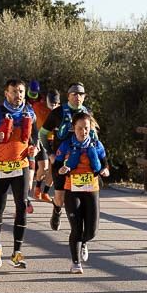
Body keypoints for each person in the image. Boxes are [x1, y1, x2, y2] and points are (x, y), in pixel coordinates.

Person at [0, 79, 37, 269]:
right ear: (6, 93)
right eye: (14, 91)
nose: (18, 95)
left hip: (21, 166)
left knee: (22, 206)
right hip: (0, 167)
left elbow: (34, 135)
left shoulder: (29, 112)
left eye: (21, 91)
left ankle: (17, 253)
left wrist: (35, 148)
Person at [53, 112, 109, 273]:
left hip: (92, 190)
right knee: (76, 228)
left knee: (91, 231)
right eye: (79, 128)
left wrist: (105, 170)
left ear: (90, 128)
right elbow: (56, 167)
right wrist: (61, 170)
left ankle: (84, 242)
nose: (83, 132)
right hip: (72, 189)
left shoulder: (96, 144)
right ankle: (75, 263)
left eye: (86, 128)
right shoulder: (66, 146)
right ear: (73, 128)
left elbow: (105, 163)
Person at [42, 83, 93, 231]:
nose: (78, 97)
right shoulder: (57, 113)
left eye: (81, 94)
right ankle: (57, 210)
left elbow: (94, 136)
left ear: (85, 97)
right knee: (60, 196)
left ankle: (79, 229)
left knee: (83, 195)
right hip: (61, 160)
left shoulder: (88, 112)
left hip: (83, 162)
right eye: (74, 94)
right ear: (68, 96)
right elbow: (43, 134)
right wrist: (50, 154)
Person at [31, 88, 59, 204]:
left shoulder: (60, 110)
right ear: (46, 100)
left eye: (56, 104)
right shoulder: (37, 107)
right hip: (41, 140)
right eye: (51, 103)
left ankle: (45, 192)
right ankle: (37, 187)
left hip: (55, 141)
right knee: (44, 167)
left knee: (54, 169)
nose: (53, 106)